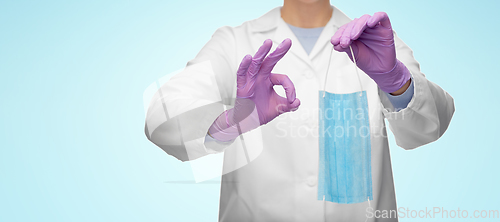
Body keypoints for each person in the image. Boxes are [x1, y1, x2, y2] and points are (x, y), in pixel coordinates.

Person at [144, 0, 455, 221]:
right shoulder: (234, 42)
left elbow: (432, 124)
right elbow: (162, 114)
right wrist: (233, 121)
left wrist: (397, 82)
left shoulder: (374, 37)